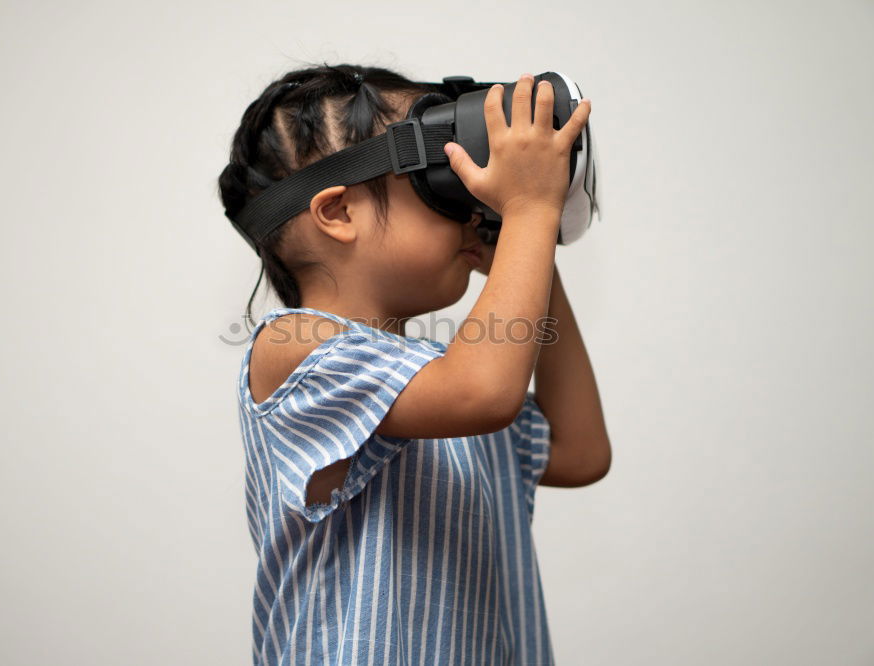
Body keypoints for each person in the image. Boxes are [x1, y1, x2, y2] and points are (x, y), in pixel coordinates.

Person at [217, 62, 611, 665]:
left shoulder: (440, 380)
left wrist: (530, 250)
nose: (465, 207)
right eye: (437, 182)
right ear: (339, 212)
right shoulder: (294, 348)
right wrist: (531, 209)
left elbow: (579, 453)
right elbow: (481, 392)